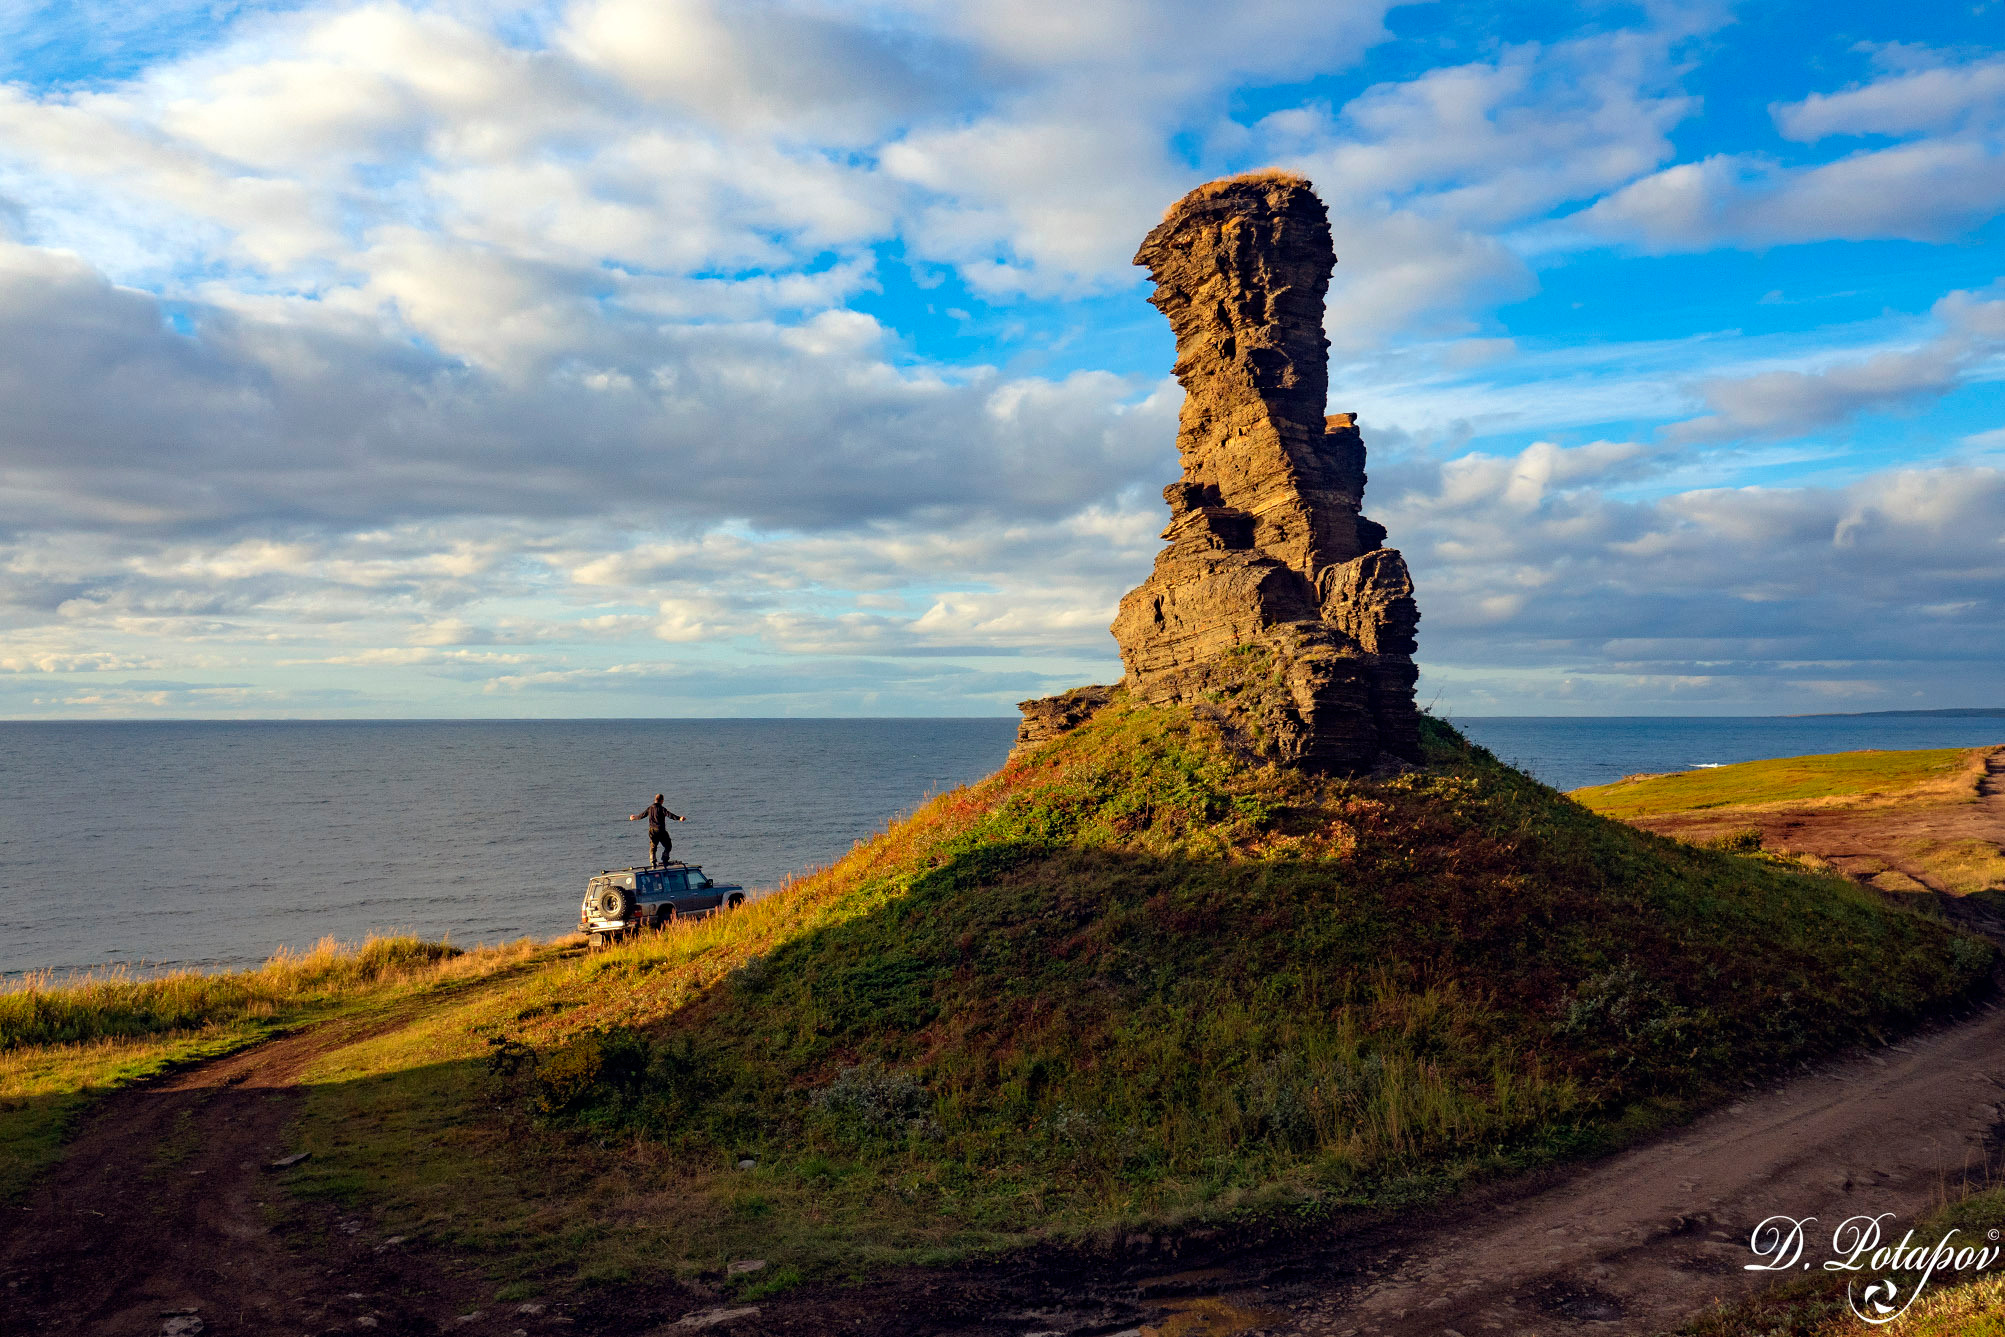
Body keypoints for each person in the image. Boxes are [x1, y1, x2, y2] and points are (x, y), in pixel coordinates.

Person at [628, 793, 685, 866]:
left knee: (653, 845)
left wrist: (634, 817)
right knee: (668, 845)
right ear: (661, 800)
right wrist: (679, 818)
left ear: (655, 800)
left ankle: (652, 860)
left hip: (652, 830)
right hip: (661, 830)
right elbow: (669, 815)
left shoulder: (650, 808)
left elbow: (642, 815)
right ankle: (665, 858)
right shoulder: (661, 808)